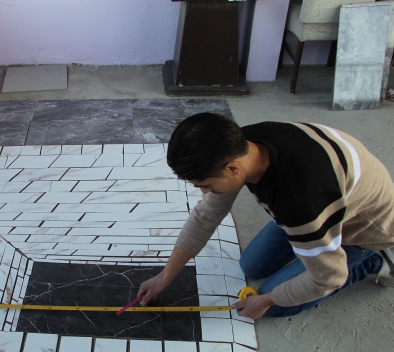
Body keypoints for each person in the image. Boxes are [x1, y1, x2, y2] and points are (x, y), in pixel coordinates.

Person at [137, 113, 394, 319]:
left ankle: (376, 261)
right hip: (327, 201)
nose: (205, 193)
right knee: (251, 267)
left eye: (206, 185)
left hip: (363, 229)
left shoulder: (301, 204)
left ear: (233, 168)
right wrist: (165, 276)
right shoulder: (244, 143)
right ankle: (309, 248)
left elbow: (329, 278)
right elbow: (206, 216)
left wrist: (268, 301)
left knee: (270, 304)